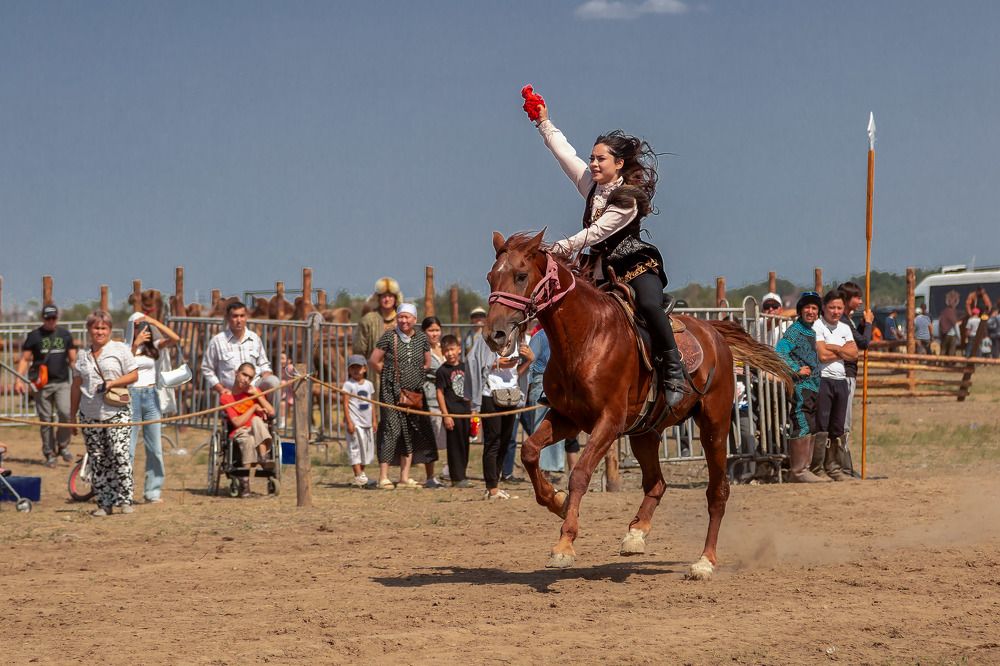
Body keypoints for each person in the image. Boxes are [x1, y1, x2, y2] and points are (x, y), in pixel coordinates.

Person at [529, 95, 687, 407]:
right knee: (566, 310)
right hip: (596, 269)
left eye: (601, 159)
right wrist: (543, 122)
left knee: (650, 304)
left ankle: (673, 368)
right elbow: (565, 155)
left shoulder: (628, 198)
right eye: (593, 158)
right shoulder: (591, 185)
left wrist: (558, 247)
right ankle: (563, 378)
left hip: (635, 264)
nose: (593, 164)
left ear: (619, 164)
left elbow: (597, 232)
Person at [70, 310, 139, 515]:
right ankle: (104, 502)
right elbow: (76, 386)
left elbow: (134, 375)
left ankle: (125, 499)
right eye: (96, 327)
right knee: (97, 458)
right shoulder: (82, 356)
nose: (99, 332)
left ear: (109, 330)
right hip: (90, 414)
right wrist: (71, 415)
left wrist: (113, 382)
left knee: (119, 453)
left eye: (103, 328)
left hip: (117, 410)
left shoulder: (120, 349)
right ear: (89, 330)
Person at [369, 303, 437, 490]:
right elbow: (374, 360)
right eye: (401, 317)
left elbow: (427, 362)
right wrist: (389, 375)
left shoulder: (422, 338)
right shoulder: (389, 337)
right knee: (391, 429)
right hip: (391, 392)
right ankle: (383, 476)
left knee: (409, 430)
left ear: (415, 319)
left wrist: (415, 375)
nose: (404, 320)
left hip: (414, 392)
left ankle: (404, 477)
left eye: (408, 317)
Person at [14, 304, 77, 466]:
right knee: (46, 420)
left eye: (53, 318)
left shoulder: (65, 335)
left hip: (62, 382)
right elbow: (25, 359)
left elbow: (73, 360)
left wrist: (81, 377)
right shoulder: (34, 336)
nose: (51, 321)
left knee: (65, 414)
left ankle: (63, 445)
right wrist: (18, 379)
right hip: (41, 384)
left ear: (57, 317)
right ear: (43, 318)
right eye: (48, 318)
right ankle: (49, 453)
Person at [466, 326, 525, 500]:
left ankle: (495, 485)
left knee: (505, 441)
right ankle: (491, 487)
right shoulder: (487, 339)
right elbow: (473, 360)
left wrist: (528, 360)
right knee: (493, 441)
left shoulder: (518, 339)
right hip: (489, 395)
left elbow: (517, 372)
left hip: (511, 395)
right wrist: (497, 363)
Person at [126, 313, 180, 503]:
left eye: (143, 326)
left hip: (150, 397)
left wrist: (154, 322)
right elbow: (126, 364)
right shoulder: (125, 348)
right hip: (131, 397)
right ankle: (125, 491)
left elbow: (175, 339)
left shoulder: (153, 348)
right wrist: (134, 343)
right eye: (137, 326)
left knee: (155, 447)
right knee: (128, 448)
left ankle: (153, 491)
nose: (141, 330)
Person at [775, 293, 824, 483]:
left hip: (813, 386)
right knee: (802, 421)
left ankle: (806, 467)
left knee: (811, 424)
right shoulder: (795, 330)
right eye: (807, 308)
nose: (810, 311)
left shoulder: (810, 331)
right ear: (800, 310)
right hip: (800, 385)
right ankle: (797, 471)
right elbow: (779, 352)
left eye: (814, 308)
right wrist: (795, 369)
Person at [811, 290, 858, 482]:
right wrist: (842, 350)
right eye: (832, 307)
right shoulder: (817, 326)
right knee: (822, 423)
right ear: (824, 308)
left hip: (841, 378)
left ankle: (834, 466)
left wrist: (834, 348)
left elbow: (854, 354)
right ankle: (817, 466)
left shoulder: (845, 328)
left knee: (837, 425)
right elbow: (821, 355)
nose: (836, 311)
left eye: (839, 308)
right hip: (823, 378)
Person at [527, 327, 580, 480]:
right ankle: (541, 472)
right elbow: (531, 363)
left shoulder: (563, 334)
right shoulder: (540, 337)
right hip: (542, 383)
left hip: (560, 385)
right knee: (539, 429)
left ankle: (548, 470)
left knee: (553, 429)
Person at [202, 301, 279, 404]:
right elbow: (207, 368)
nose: (239, 320)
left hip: (255, 388)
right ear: (228, 318)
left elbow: (264, 363)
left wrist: (266, 374)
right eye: (235, 316)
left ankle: (271, 417)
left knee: (274, 381)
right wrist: (220, 389)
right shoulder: (217, 341)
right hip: (232, 392)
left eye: (242, 316)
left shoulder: (255, 338)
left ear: (246, 317)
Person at [220, 363, 276, 497]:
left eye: (250, 378)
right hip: (241, 431)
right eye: (244, 375)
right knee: (248, 439)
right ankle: (245, 484)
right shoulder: (226, 397)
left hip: (258, 430)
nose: (246, 379)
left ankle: (263, 457)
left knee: (257, 421)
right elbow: (237, 422)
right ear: (236, 373)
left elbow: (272, 412)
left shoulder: (254, 392)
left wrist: (257, 395)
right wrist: (254, 408)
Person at [836, 281, 873, 478]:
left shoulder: (847, 320)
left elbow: (856, 337)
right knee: (844, 421)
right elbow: (863, 342)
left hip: (848, 374)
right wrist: (868, 324)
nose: (860, 301)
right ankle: (842, 464)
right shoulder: (842, 320)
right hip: (845, 374)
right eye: (857, 297)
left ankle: (844, 464)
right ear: (847, 299)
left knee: (844, 421)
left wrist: (861, 325)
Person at [354, 277, 403, 396]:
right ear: (378, 298)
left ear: (396, 298)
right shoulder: (368, 320)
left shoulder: (404, 319)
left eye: (390, 296)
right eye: (383, 296)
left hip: (401, 375)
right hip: (373, 376)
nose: (387, 299)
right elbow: (359, 350)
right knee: (376, 409)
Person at [435, 334, 473, 487]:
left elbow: (470, 389)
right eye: (446, 350)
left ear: (458, 349)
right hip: (452, 413)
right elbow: (440, 393)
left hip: (465, 412)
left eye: (452, 349)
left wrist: (473, 411)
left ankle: (462, 474)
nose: (449, 353)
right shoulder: (442, 371)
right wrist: (446, 415)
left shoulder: (465, 367)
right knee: (454, 447)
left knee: (464, 445)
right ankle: (456, 478)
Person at [502, 326, 535, 483]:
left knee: (536, 433)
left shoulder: (531, 341)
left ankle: (543, 471)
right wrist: (528, 361)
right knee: (511, 438)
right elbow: (512, 374)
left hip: (528, 398)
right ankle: (507, 473)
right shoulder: (508, 344)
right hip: (513, 397)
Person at [342, 355, 377, 488]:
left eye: (359, 367)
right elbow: (345, 404)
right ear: (349, 370)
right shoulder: (348, 385)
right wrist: (349, 422)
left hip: (367, 422)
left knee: (366, 451)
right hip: (355, 422)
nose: (356, 370)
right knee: (355, 448)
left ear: (365, 368)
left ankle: (361, 475)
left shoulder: (369, 384)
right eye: (353, 368)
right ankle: (358, 475)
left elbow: (372, 403)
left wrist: (374, 420)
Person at [420, 316, 447, 488]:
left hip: (449, 399)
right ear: (424, 332)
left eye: (437, 330)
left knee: (448, 439)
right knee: (431, 439)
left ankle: (449, 471)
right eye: (431, 330)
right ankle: (430, 476)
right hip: (430, 399)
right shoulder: (422, 350)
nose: (434, 333)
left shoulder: (445, 348)